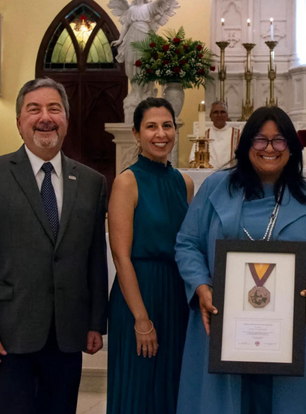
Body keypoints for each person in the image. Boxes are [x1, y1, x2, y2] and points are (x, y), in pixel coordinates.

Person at [0, 78, 108, 414]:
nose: (45, 117)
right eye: (34, 109)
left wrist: (96, 321)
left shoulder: (91, 183)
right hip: (8, 332)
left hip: (67, 333)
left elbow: (95, 259)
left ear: (66, 121)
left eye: (54, 109)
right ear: (19, 121)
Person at [175, 106, 306, 414]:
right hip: (220, 321)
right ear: (246, 144)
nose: (269, 149)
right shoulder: (215, 188)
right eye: (260, 140)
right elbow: (188, 243)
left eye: (279, 141)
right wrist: (200, 285)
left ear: (291, 147)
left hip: (287, 330)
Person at [107, 98, 195, 414]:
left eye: (167, 125)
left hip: (175, 295)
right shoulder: (127, 181)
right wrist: (141, 319)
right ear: (136, 133)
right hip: (138, 293)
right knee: (138, 389)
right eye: (151, 126)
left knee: (172, 387)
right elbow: (121, 255)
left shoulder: (184, 182)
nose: (161, 134)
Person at [189, 101, 242, 168]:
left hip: (231, 174)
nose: (219, 115)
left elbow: (244, 156)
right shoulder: (203, 136)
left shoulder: (237, 135)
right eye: (216, 112)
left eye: (222, 112)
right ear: (210, 116)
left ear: (227, 115)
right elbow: (193, 158)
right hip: (208, 174)